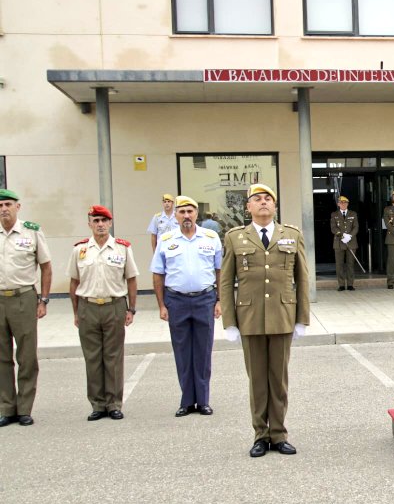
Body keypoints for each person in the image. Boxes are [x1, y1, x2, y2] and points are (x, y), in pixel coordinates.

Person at [220, 184, 310, 457]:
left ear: (275, 205)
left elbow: (303, 278)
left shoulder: (291, 235)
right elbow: (225, 281)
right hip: (249, 318)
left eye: (267, 199)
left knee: (278, 380)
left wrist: (302, 319)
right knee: (257, 380)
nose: (262, 203)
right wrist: (229, 321)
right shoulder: (235, 237)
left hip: (282, 315)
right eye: (256, 199)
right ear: (247, 207)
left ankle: (279, 434)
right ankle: (261, 434)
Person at [151, 195, 223, 417]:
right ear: (176, 215)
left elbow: (220, 271)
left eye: (190, 211)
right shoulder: (167, 239)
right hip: (177, 301)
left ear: (196, 214)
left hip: (204, 299)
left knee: (203, 352)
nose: (186, 216)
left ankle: (202, 401)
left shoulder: (210, 238)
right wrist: (162, 305)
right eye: (182, 212)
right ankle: (186, 401)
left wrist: (220, 300)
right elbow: (157, 273)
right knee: (182, 352)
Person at [67, 205, 139, 422]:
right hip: (88, 306)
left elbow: (132, 279)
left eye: (103, 221)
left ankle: (114, 403)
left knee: (114, 357)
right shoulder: (79, 250)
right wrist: (76, 312)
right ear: (89, 223)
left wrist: (131, 309)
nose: (99, 225)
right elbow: (73, 282)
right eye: (95, 220)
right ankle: (97, 404)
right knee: (92, 358)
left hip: (114, 305)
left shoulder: (122, 248)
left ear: (110, 223)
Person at [0, 189, 52, 428]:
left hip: (23, 298)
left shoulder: (32, 230)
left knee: (26, 356)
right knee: (1, 357)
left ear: (17, 207)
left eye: (8, 204)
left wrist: (43, 300)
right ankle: (6, 408)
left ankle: (24, 408)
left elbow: (46, 266)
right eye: (0, 205)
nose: (4, 209)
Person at [331, 195, 359, 291]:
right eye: (342, 203)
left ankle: (350, 284)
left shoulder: (353, 214)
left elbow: (356, 227)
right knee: (339, 264)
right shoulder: (334, 214)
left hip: (351, 242)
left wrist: (350, 236)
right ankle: (341, 284)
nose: (344, 204)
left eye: (345, 203)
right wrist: (342, 235)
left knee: (350, 264)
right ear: (338, 204)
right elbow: (333, 228)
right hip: (339, 242)